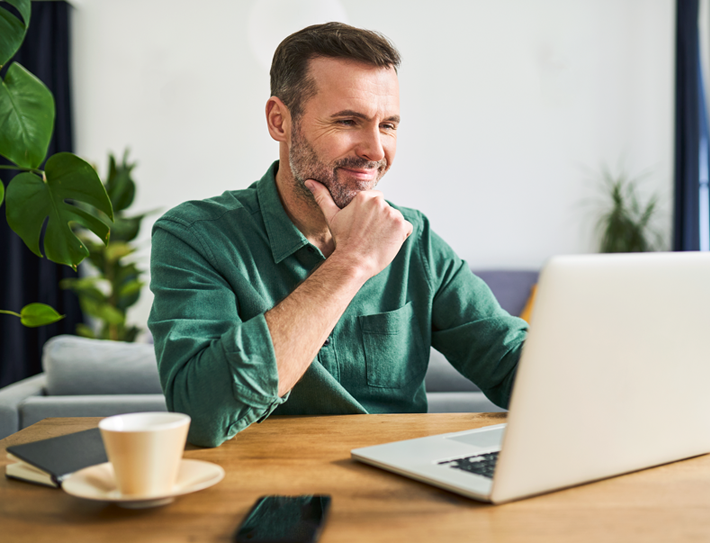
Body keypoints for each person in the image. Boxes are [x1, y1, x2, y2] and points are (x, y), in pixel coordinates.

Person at [148, 22, 527, 447]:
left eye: (388, 126)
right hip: (261, 480)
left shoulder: (413, 238)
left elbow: (510, 361)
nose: (375, 150)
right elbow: (201, 413)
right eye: (348, 120)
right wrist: (352, 263)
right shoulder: (194, 237)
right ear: (279, 121)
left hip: (397, 478)